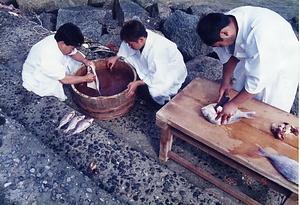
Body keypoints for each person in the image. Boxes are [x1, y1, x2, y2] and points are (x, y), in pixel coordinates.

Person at [197, 6, 299, 124]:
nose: (220, 48)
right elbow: (229, 54)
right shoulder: (224, 23)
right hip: (251, 54)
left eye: (219, 45)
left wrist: (234, 104)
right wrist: (225, 82)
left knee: (269, 113)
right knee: (239, 91)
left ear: (224, 33)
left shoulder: (260, 37)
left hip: (283, 60)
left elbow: (259, 79)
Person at [106, 19, 187, 105]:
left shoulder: (157, 50)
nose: (129, 46)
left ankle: (164, 102)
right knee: (126, 59)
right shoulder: (143, 35)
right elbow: (126, 46)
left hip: (170, 71)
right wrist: (117, 56)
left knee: (156, 92)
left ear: (141, 40)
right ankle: (144, 78)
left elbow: (159, 75)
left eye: (131, 44)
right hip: (154, 65)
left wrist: (137, 83)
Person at [22, 23, 96, 101]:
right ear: (62, 44)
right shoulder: (48, 56)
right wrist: (85, 79)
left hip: (51, 63)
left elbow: (74, 53)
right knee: (53, 85)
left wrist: (85, 61)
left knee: (73, 61)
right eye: (72, 47)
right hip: (36, 73)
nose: (73, 50)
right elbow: (63, 79)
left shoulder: (59, 41)